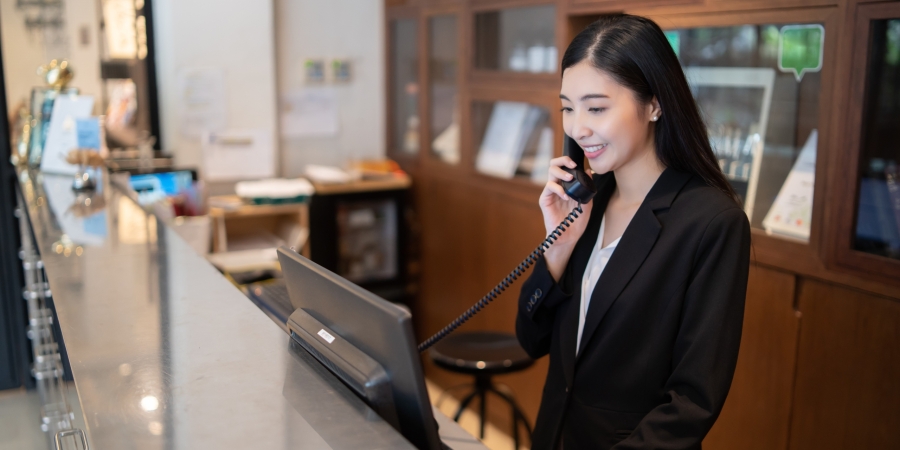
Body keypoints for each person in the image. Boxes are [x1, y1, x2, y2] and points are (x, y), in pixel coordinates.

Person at [516, 14, 751, 450]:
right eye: (568, 107)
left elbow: (692, 403)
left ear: (655, 104)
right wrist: (558, 246)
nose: (577, 128)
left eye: (597, 107)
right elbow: (531, 341)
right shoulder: (586, 202)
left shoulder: (712, 223)